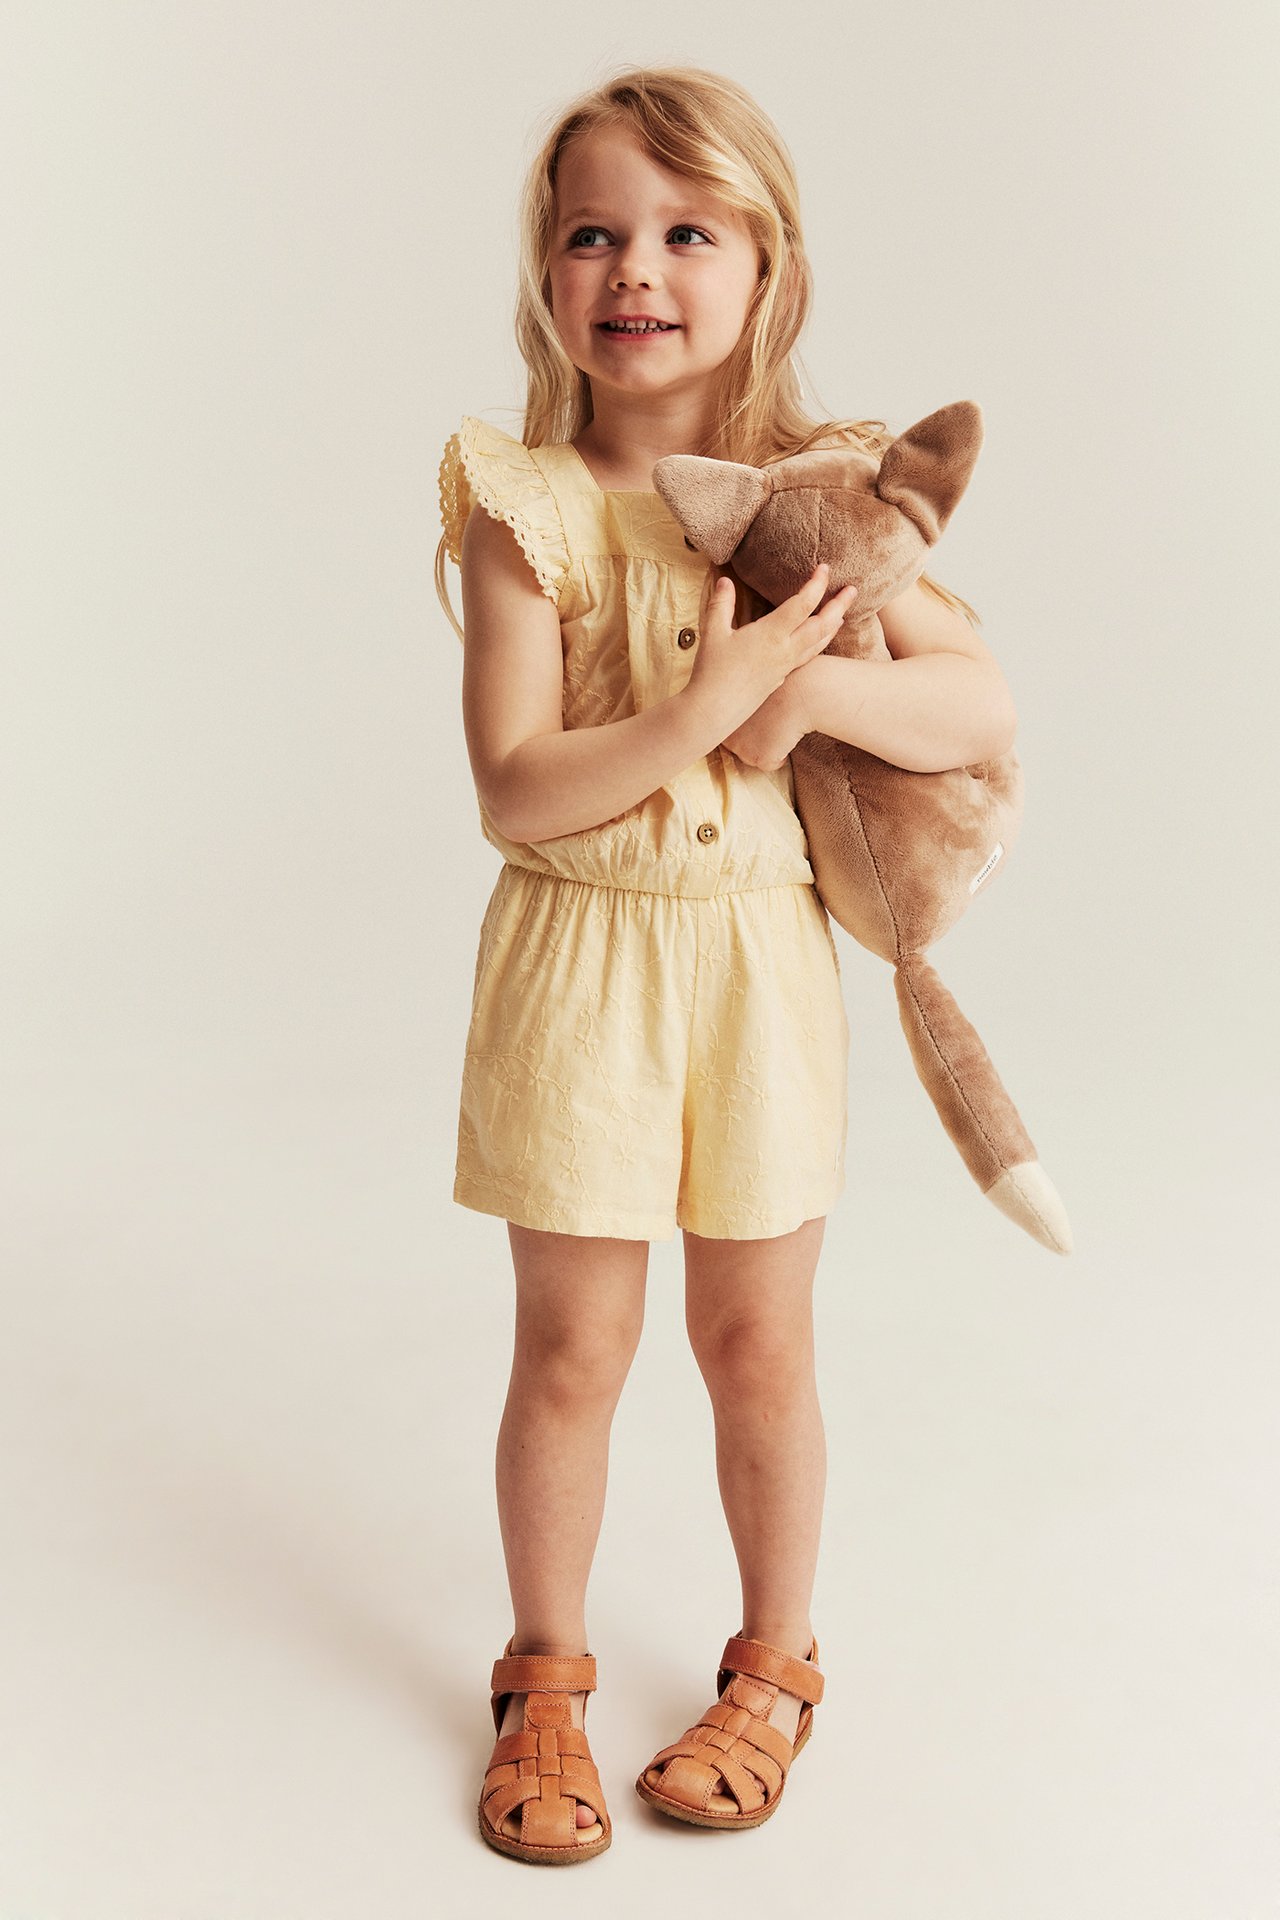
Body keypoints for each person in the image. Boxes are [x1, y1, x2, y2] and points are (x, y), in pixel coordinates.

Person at [433, 65, 1017, 1865]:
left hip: (761, 973)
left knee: (758, 1338)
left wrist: (811, 683)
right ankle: (546, 1675)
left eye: (689, 232)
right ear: (547, 268)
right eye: (594, 231)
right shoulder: (520, 496)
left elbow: (979, 704)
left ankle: (777, 1665)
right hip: (582, 969)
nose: (638, 268)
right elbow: (517, 789)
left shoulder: (818, 499)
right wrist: (704, 697)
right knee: (572, 1347)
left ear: (767, 268)